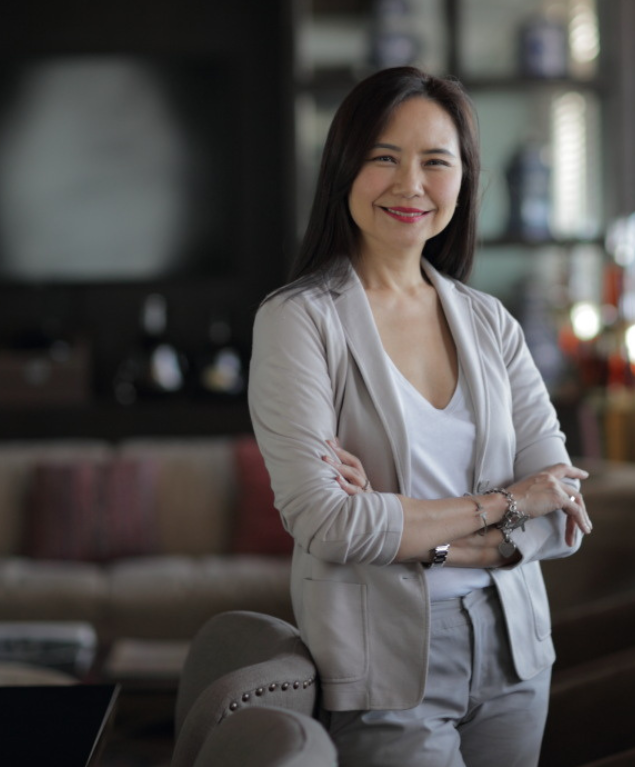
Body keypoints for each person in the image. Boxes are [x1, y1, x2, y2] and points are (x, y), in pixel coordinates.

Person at [248, 66, 592, 767]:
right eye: (384, 158)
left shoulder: (490, 322)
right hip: (386, 658)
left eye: (436, 162)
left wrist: (415, 531)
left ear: (462, 181)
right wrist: (506, 503)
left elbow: (559, 510)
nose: (411, 185)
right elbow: (328, 522)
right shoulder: (299, 322)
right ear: (344, 169)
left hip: (514, 647)